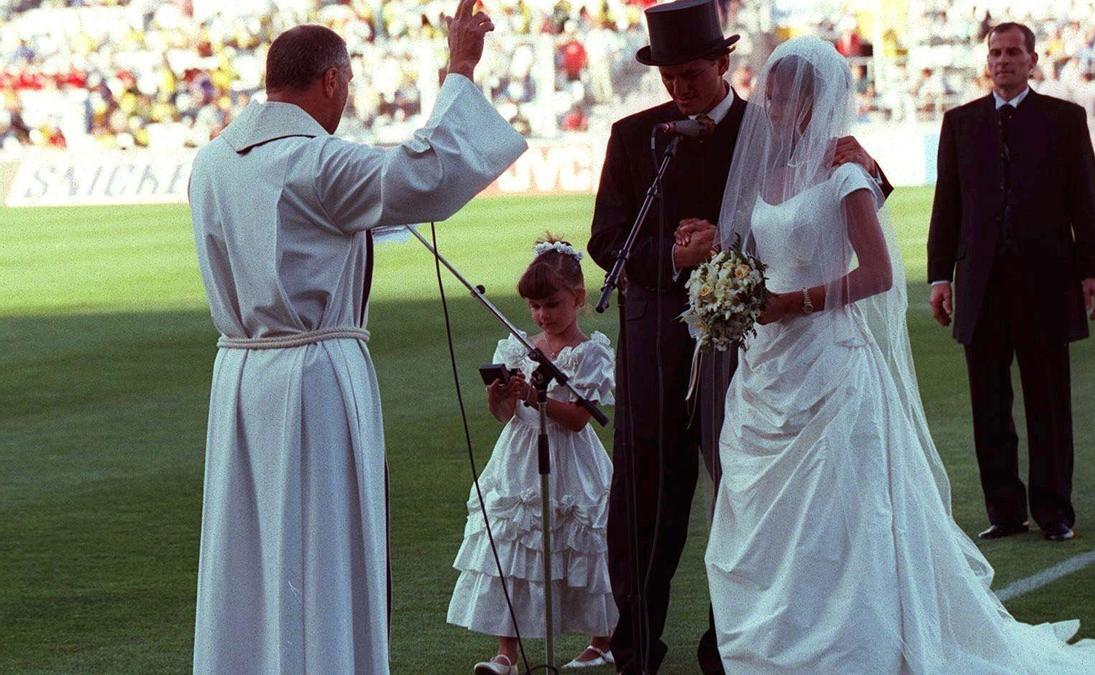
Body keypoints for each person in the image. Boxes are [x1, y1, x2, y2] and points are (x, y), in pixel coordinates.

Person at [704, 36, 1095, 674]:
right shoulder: (769, 174)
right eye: (767, 100)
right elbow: (757, 251)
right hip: (769, 365)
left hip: (830, 362)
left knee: (848, 511)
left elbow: (879, 274)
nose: (770, 113)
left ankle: (859, 640)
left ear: (815, 102)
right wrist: (725, 277)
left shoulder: (846, 171)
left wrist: (795, 302)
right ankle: (788, 636)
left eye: (784, 101)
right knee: (789, 521)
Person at [188, 7, 527, 673]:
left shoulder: (211, 161)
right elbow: (427, 177)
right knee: (324, 546)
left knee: (251, 550)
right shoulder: (316, 160)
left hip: (241, 375)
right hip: (315, 371)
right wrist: (458, 69)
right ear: (334, 81)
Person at [586, 1, 890, 672]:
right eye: (667, 76)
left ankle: (737, 645)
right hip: (655, 348)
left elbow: (846, 208)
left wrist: (870, 164)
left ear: (725, 64)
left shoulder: (774, 127)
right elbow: (606, 240)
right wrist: (673, 259)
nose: (679, 88)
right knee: (645, 500)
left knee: (749, 499)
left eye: (691, 72)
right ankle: (635, 646)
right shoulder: (635, 137)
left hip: (756, 351)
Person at [928, 22, 1095, 542]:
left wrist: (1093, 270)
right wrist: (940, 275)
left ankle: (1055, 512)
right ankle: (1005, 511)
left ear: (1033, 60)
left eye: (1013, 53)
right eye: (996, 53)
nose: (1003, 60)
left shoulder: (1064, 119)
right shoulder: (960, 123)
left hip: (1047, 283)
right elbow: (949, 207)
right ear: (987, 62)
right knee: (988, 406)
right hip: (981, 285)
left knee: (1049, 404)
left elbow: (1084, 201)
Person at [446, 236, 618, 675]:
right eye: (535, 307)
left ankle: (603, 639)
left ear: (578, 299)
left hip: (570, 458)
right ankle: (507, 651)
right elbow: (505, 415)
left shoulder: (590, 353)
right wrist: (500, 396)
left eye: (552, 304)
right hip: (520, 455)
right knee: (514, 545)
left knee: (585, 542)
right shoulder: (517, 346)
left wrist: (538, 396)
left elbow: (580, 418)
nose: (543, 315)